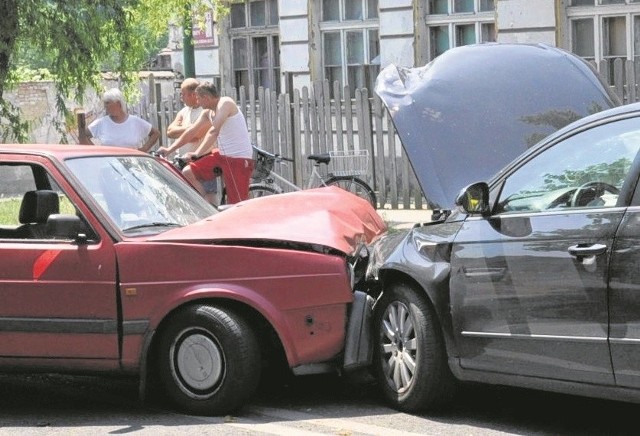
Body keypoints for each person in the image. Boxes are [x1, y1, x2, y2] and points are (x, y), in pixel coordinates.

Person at [158, 82, 254, 205]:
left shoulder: (226, 103)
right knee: (188, 172)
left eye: (198, 98)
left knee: (236, 204)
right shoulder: (208, 113)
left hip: (238, 159)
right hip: (222, 156)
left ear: (206, 98)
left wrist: (196, 154)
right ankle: (205, 206)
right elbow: (191, 132)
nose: (197, 102)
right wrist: (169, 149)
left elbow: (213, 131)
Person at [81, 88, 160, 152]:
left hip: (132, 166)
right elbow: (83, 135)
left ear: (118, 103)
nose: (105, 106)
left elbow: (155, 133)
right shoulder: (102, 123)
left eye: (108, 103)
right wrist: (97, 152)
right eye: (105, 103)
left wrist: (143, 150)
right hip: (108, 166)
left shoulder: (135, 122)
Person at [166, 78, 203, 156]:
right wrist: (192, 128)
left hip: (199, 159)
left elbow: (195, 137)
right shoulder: (184, 111)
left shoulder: (204, 111)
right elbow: (170, 132)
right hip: (181, 158)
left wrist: (190, 131)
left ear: (193, 95)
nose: (181, 97)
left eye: (183, 94)